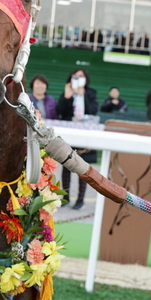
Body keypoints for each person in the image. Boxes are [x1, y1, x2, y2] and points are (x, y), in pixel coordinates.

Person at [57, 68, 98, 210]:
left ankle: (80, 199)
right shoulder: (68, 92)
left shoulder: (91, 93)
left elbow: (93, 110)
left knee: (84, 167)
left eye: (81, 76)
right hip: (70, 134)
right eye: (76, 76)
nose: (79, 78)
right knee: (67, 164)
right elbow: (60, 111)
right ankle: (65, 197)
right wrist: (67, 97)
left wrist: (83, 95)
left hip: (86, 133)